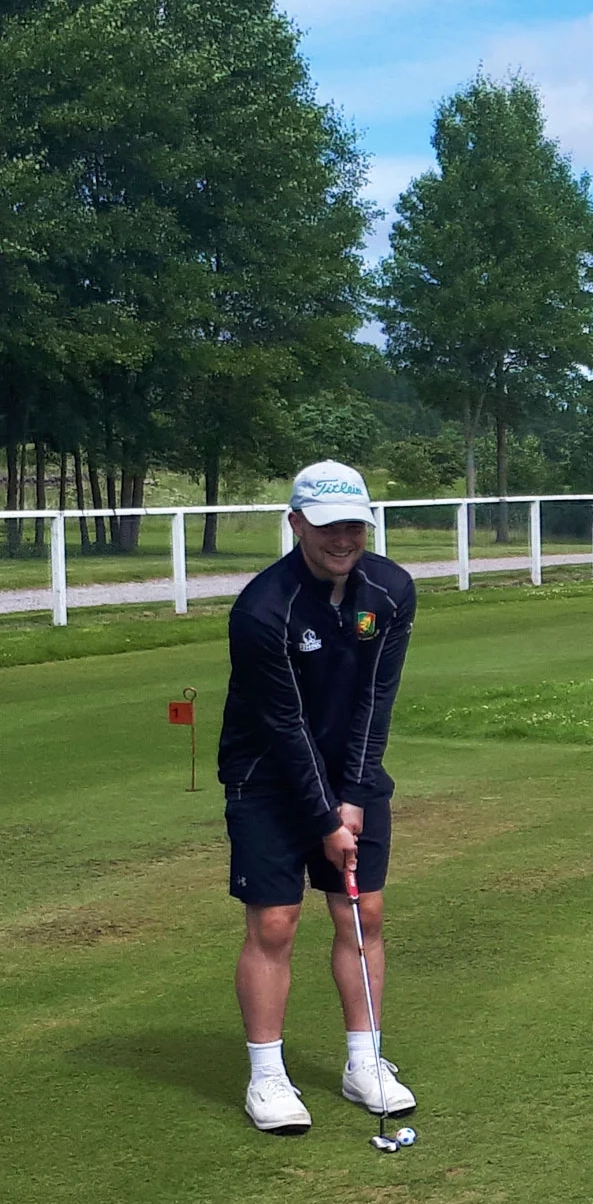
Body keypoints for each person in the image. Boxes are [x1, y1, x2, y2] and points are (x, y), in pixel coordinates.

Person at [220, 461, 418, 1131]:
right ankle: (267, 1078)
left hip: (349, 774)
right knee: (275, 922)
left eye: (354, 524)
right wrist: (326, 816)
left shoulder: (390, 591)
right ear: (296, 522)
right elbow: (283, 725)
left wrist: (356, 794)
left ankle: (366, 1063)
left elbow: (375, 699)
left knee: (362, 916)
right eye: (329, 525)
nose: (343, 538)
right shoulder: (261, 610)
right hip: (267, 777)